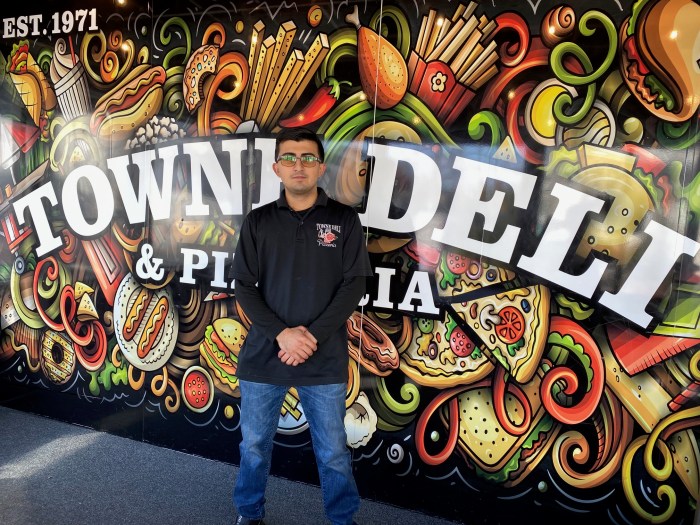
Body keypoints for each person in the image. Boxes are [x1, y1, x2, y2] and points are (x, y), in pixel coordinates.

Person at [231, 127, 372, 525]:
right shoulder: (258, 222)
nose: (299, 165)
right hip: (264, 355)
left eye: (308, 158)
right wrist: (283, 334)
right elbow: (244, 285)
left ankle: (343, 520)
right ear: (276, 167)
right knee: (255, 446)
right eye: (290, 158)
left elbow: (355, 284)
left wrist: (310, 337)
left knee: (332, 451)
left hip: (323, 357)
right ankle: (249, 515)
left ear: (321, 167)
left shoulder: (344, 220)